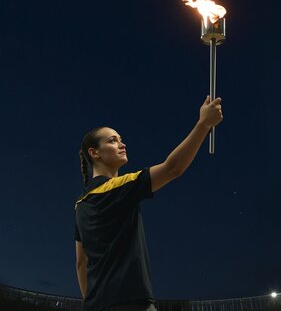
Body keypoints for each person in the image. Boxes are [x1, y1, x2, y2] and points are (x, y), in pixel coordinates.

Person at [74, 95, 224, 311]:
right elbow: (173, 168)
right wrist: (204, 124)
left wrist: (92, 303)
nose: (122, 143)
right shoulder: (118, 187)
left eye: (120, 138)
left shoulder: (80, 205)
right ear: (94, 152)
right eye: (112, 140)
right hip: (132, 304)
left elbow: (81, 263)